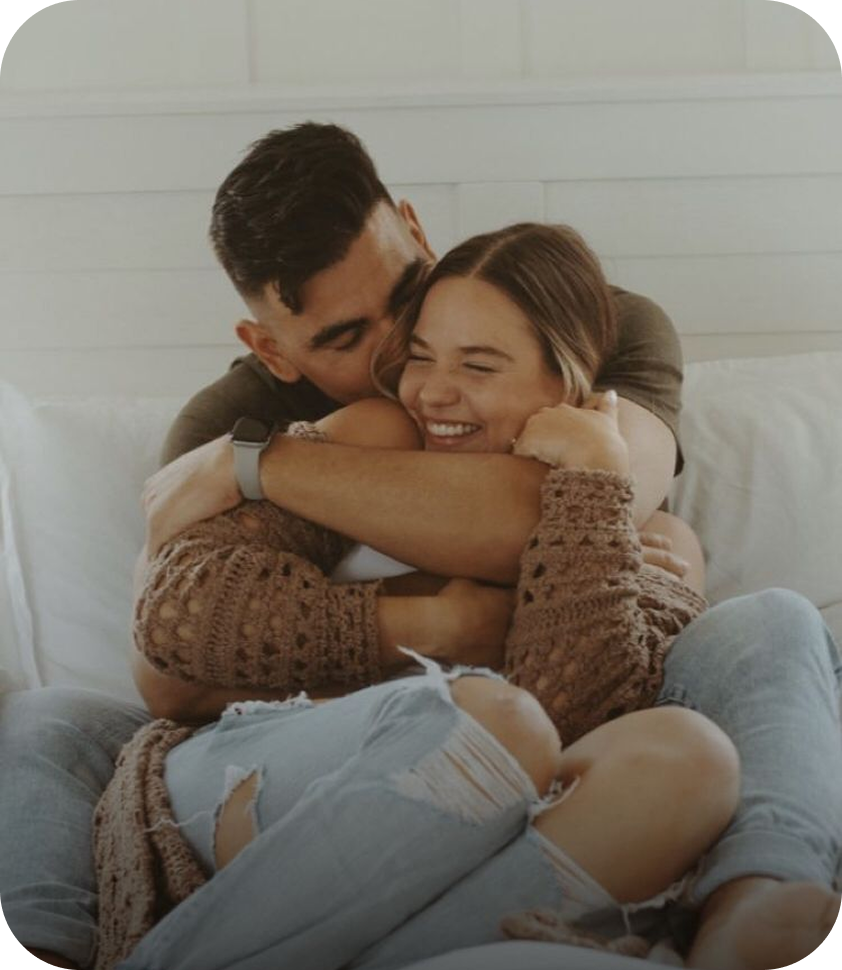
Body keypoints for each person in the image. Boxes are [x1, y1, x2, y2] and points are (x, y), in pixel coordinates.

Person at [0, 124, 838, 970]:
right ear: (271, 349)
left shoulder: (601, 320)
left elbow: (558, 515)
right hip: (331, 742)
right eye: (345, 337)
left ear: (415, 229)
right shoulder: (236, 421)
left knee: (761, 633)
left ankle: (761, 895)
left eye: (409, 297)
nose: (405, 358)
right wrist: (432, 624)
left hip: (526, 733)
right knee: (54, 719)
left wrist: (262, 468)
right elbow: (169, 666)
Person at [94, 221, 733, 970]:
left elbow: (577, 717)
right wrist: (434, 618)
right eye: (420, 356)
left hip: (483, 800)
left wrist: (589, 489)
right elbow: (175, 618)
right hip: (267, 765)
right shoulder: (372, 436)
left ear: (569, 386)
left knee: (692, 759)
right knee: (493, 721)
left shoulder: (636, 530)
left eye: (480, 365)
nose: (430, 391)